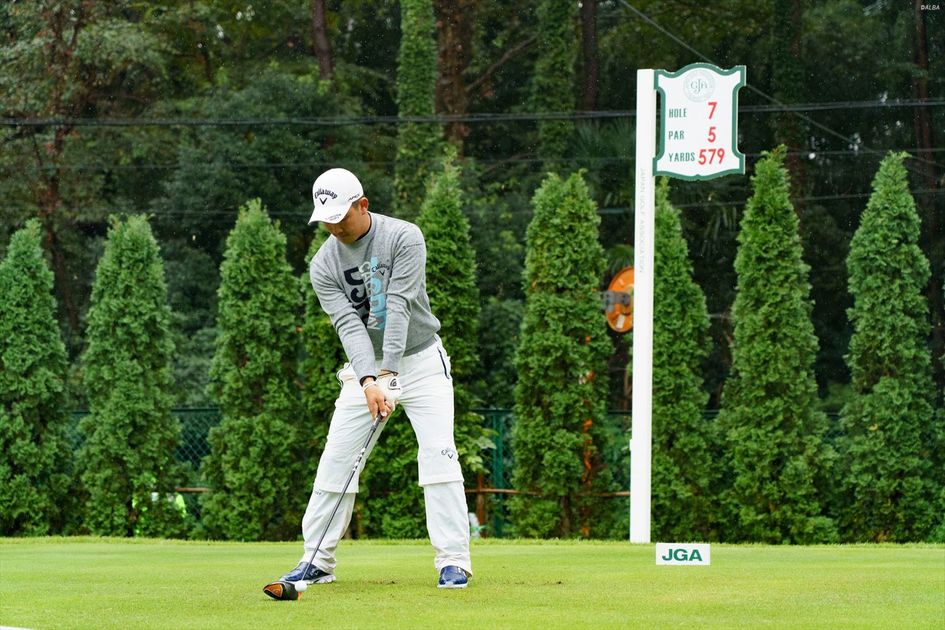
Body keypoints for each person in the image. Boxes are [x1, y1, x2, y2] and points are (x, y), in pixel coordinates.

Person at [276, 167, 472, 589]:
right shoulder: (322, 264)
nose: (334, 227)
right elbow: (349, 325)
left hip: (421, 360)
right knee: (337, 460)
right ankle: (316, 560)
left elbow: (398, 304)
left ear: (362, 205)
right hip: (365, 371)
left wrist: (390, 373)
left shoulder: (405, 236)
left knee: (440, 457)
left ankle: (453, 561)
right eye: (325, 219)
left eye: (341, 217)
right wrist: (369, 381)